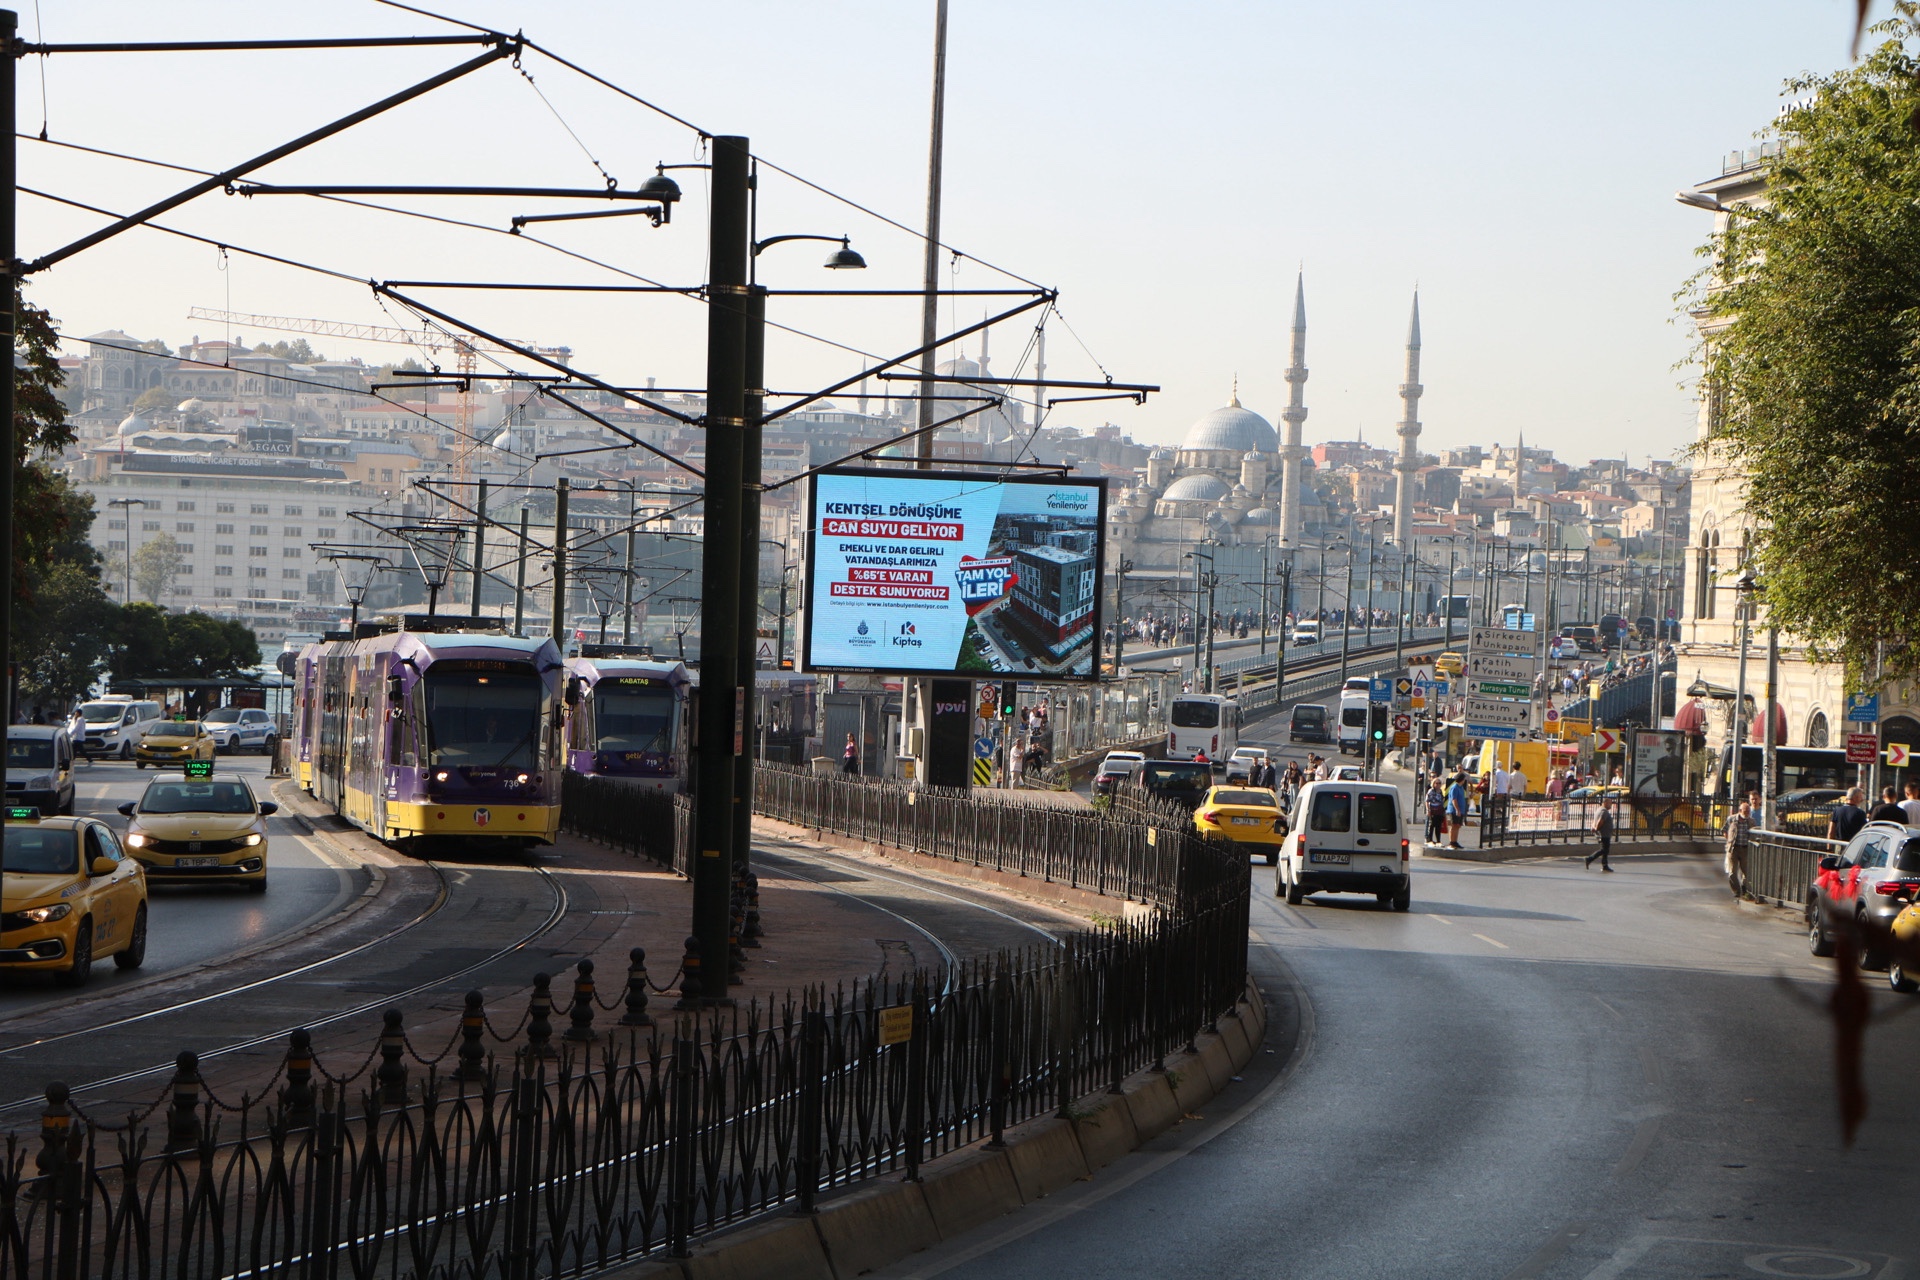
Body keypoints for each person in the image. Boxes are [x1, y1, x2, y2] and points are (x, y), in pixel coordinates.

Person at [1723, 797, 1753, 896]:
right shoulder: (1731, 819)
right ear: (1740, 811)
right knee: (1732, 872)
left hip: (1745, 849)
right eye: (1745, 811)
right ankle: (1736, 890)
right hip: (1733, 849)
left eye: (1748, 811)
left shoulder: (1751, 821)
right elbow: (1724, 830)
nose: (1747, 813)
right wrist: (1729, 841)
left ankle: (1744, 888)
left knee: (1747, 872)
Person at [1585, 800, 1615, 871]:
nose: (1611, 805)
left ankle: (1605, 865)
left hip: (1604, 834)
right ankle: (1589, 859)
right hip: (1604, 834)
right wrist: (1596, 828)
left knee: (1605, 850)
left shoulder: (1599, 810)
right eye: (1610, 803)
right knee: (1604, 850)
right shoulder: (1604, 811)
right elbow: (1600, 821)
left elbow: (1594, 820)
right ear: (1605, 803)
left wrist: (1593, 827)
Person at [1446, 773, 1468, 850]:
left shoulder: (1461, 788)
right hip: (1454, 810)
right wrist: (1457, 809)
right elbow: (1454, 799)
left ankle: (1455, 841)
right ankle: (1451, 841)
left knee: (1458, 825)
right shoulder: (1454, 787)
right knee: (1453, 825)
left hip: (1461, 810)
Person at [1424, 777, 1447, 845]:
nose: (1438, 785)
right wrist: (1428, 810)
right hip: (1432, 810)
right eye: (1436, 783)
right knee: (1431, 825)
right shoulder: (1431, 791)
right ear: (1433, 784)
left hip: (1439, 810)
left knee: (1438, 826)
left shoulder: (1440, 791)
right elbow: (1427, 801)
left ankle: (1438, 840)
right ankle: (1430, 839)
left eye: (1439, 783)